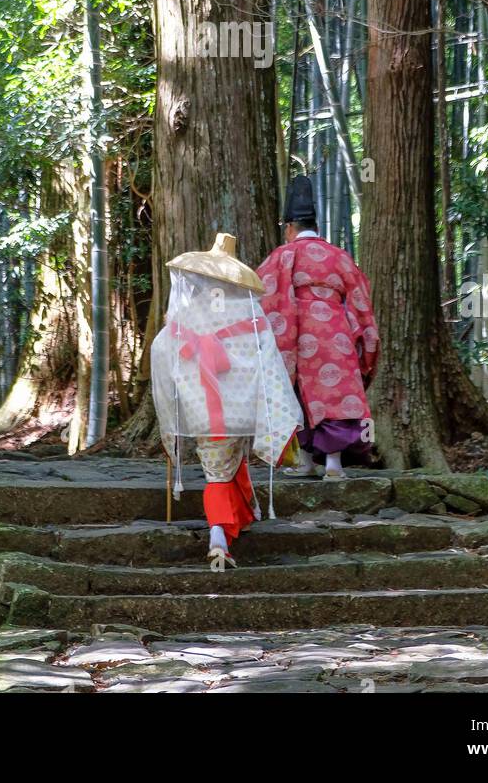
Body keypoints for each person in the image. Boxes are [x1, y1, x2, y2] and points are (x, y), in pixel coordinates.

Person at [151, 232, 302, 568]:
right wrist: (276, 406)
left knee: (217, 469)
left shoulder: (186, 315)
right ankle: (221, 534)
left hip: (202, 408)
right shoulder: (249, 314)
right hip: (241, 407)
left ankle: (226, 528)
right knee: (230, 461)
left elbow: (161, 349)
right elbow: (268, 361)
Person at [257, 176, 380, 480]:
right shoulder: (340, 256)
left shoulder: (282, 255)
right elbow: (361, 300)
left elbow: (262, 294)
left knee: (300, 393)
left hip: (297, 332)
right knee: (333, 393)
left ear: (289, 228)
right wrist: (363, 338)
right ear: (316, 225)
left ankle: (306, 461)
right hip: (337, 332)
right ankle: (333, 464)